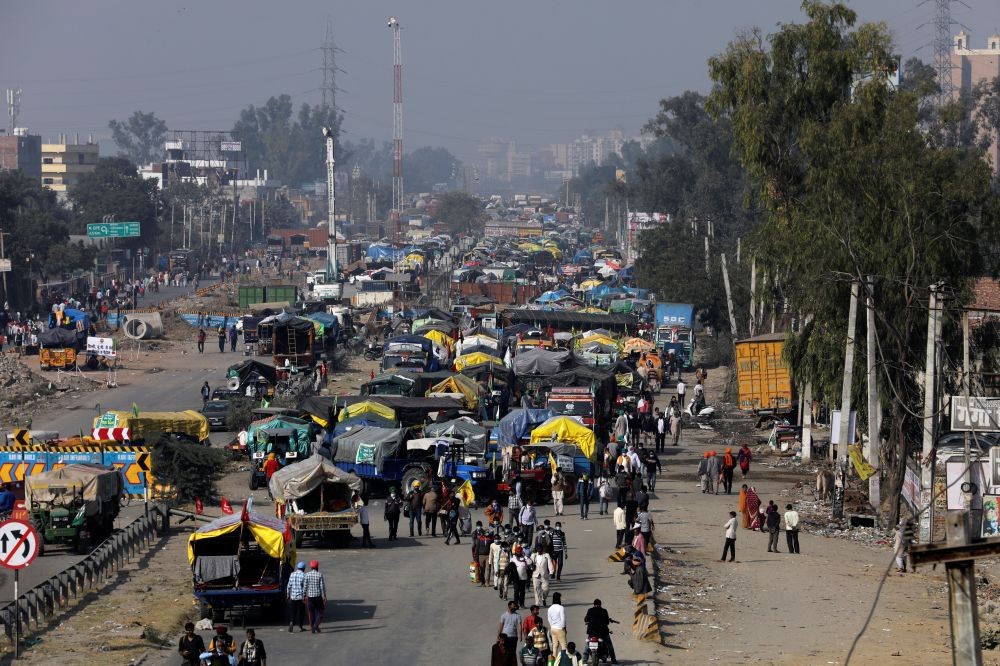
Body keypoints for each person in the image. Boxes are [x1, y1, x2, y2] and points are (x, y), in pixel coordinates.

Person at [583, 599, 617, 664]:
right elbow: (607, 622)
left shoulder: (590, 610)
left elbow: (586, 619)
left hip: (591, 632)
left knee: (587, 645)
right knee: (609, 646)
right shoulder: (604, 611)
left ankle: (584, 661)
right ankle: (614, 661)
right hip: (602, 632)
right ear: (600, 604)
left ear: (594, 604)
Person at [304, 560, 326, 633]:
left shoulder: (307, 575)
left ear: (311, 567)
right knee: (321, 612)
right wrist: (324, 596)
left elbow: (305, 586)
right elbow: (322, 586)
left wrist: (304, 595)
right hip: (318, 597)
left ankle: (313, 628)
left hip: (310, 597)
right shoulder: (320, 574)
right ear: (317, 567)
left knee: (311, 614)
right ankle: (315, 626)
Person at [286, 561, 307, 632]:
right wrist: (305, 596)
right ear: (303, 569)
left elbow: (289, 586)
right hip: (300, 597)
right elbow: (305, 588)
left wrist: (288, 595)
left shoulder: (292, 574)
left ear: (298, 568)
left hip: (293, 597)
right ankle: (300, 626)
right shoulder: (304, 575)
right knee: (301, 612)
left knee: (293, 612)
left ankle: (292, 621)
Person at [548, 592, 568, 656]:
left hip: (553, 629)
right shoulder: (560, 607)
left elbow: (549, 619)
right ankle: (564, 660)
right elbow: (563, 618)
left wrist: (552, 626)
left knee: (555, 645)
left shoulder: (550, 608)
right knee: (564, 645)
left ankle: (554, 661)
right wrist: (564, 627)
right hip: (560, 628)